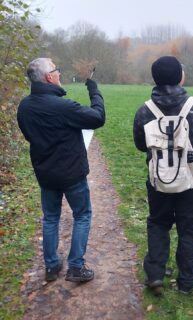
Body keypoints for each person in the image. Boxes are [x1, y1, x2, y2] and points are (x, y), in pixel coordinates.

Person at [133, 56, 193, 295]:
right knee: (191, 228)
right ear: (180, 77)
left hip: (158, 180)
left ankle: (155, 273)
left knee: (158, 223)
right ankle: (187, 279)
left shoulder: (145, 111)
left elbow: (141, 145)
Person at [17, 58, 105, 282]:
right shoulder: (63, 107)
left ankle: (52, 266)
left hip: (45, 174)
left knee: (50, 218)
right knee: (82, 215)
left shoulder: (24, 107)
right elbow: (98, 118)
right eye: (57, 70)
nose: (59, 74)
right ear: (49, 77)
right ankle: (76, 267)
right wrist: (94, 91)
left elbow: (30, 136)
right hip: (71, 174)